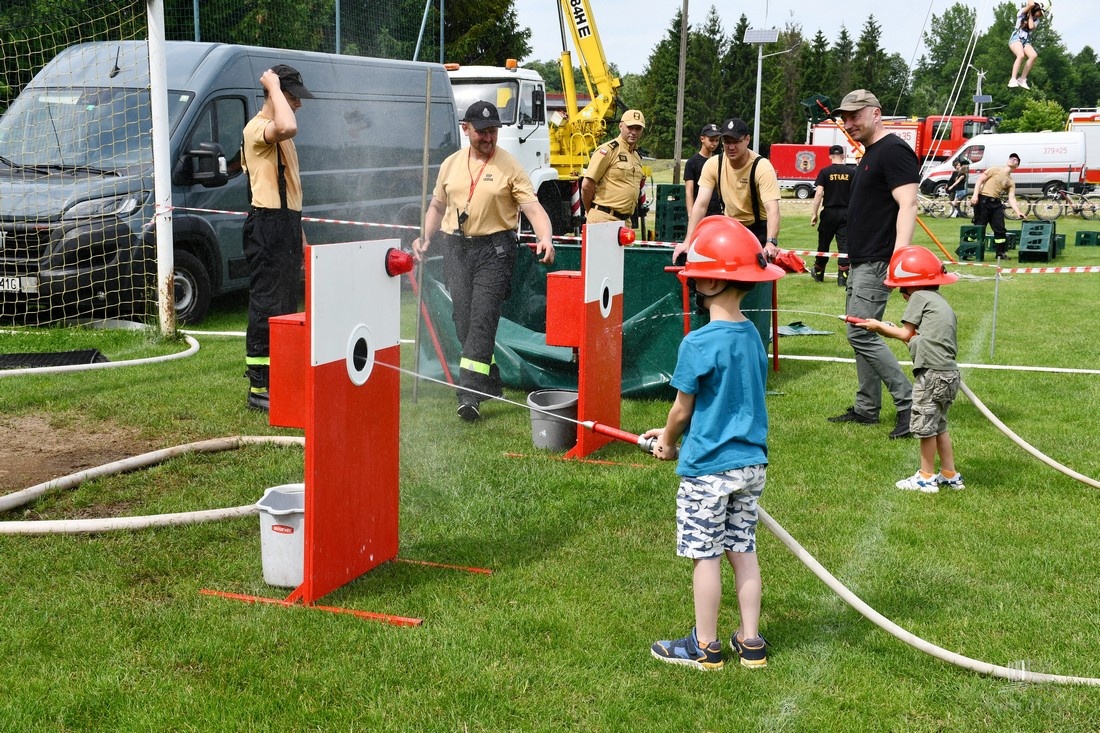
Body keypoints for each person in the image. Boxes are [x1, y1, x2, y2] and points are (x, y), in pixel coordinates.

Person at [644, 216, 785, 671]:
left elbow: (681, 411)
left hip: (707, 467)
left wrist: (668, 442)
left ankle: (705, 647)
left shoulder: (698, 343)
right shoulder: (753, 336)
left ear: (707, 281)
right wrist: (669, 435)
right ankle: (751, 642)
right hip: (752, 464)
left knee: (705, 556)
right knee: (743, 550)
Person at [412, 101, 555, 422]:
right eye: (482, 132)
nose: (488, 138)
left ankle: (469, 394)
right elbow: (436, 207)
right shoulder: (450, 164)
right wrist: (425, 236)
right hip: (455, 249)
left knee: (482, 320)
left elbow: (533, 208)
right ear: (466, 129)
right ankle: (489, 380)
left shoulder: (510, 166)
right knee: (463, 320)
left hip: (495, 251)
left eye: (493, 131)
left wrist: (545, 236)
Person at [827, 89, 918, 440]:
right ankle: (866, 408)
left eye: (855, 116)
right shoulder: (871, 154)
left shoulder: (893, 150)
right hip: (861, 259)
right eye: (845, 118)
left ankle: (910, 404)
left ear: (876, 114)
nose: (849, 123)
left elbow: (908, 204)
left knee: (860, 333)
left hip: (879, 259)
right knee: (860, 334)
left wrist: (900, 256)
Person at [855, 246, 964, 493]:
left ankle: (926, 477)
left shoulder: (919, 297)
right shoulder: (938, 300)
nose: (901, 294)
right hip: (948, 373)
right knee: (940, 426)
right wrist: (890, 329)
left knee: (925, 427)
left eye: (901, 288)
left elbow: (905, 334)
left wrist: (878, 328)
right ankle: (950, 475)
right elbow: (919, 338)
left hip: (931, 374)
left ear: (911, 283)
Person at [241, 65, 315, 412]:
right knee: (266, 304)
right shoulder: (258, 128)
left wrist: (301, 237)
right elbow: (287, 125)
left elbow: (291, 195)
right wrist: (272, 84)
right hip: (266, 225)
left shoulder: (281, 134)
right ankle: (258, 386)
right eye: (293, 96)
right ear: (276, 94)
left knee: (285, 306)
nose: (298, 103)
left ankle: (280, 380)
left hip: (286, 224)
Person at [674, 118, 781, 262]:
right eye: (726, 142)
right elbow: (700, 205)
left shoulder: (762, 167)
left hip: (758, 231)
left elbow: (772, 209)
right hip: (730, 228)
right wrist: (688, 241)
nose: (731, 147)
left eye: (736, 141)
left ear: (747, 140)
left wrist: (771, 242)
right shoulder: (713, 164)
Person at [582, 109, 646, 225]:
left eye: (638, 128)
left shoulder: (636, 156)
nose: (633, 132)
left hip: (626, 220)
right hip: (604, 218)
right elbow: (587, 186)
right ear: (620, 126)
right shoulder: (608, 150)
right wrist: (591, 211)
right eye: (630, 127)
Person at [808, 144, 854, 285]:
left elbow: (819, 193)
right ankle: (843, 276)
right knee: (844, 244)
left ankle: (819, 272)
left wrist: (814, 213)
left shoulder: (825, 172)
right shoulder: (852, 172)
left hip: (829, 213)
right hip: (846, 212)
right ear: (843, 156)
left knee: (824, 243)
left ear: (830, 156)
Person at [971, 153, 1026, 260]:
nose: (1013, 160)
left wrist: (1018, 212)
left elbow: (1012, 198)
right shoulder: (995, 169)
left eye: (1016, 160)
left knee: (1000, 229)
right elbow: (980, 180)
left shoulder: (1010, 181)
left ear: (1017, 166)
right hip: (983, 200)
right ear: (1007, 160)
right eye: (1011, 158)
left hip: (996, 204)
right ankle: (967, 250)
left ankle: (1000, 253)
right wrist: (975, 195)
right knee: (979, 227)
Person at [683, 123, 723, 218]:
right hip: (701, 211)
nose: (714, 143)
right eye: (711, 140)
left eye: (717, 140)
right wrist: (691, 214)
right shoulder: (692, 162)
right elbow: (689, 191)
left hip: (718, 212)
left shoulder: (719, 161)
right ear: (702, 139)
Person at [1009, 1, 1045, 90]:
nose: (1040, 15)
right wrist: (1030, 10)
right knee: (1020, 55)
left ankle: (1022, 79)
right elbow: (1031, 4)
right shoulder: (1022, 12)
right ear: (1035, 9)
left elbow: (1031, 26)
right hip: (1016, 37)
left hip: (1026, 40)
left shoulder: (1036, 20)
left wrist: (1030, 15)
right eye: (1040, 12)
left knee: (1033, 56)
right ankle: (1013, 79)